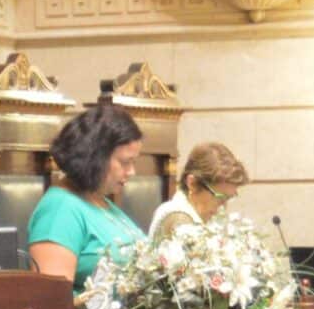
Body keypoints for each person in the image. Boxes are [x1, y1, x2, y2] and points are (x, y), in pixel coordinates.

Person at [26, 104, 146, 290]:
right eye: (125, 162)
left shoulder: (100, 200)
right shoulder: (60, 209)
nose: (131, 172)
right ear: (95, 158)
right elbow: (51, 298)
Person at [151, 141, 250, 239]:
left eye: (228, 198)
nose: (222, 208)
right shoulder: (179, 219)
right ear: (192, 184)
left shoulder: (200, 217)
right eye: (219, 198)